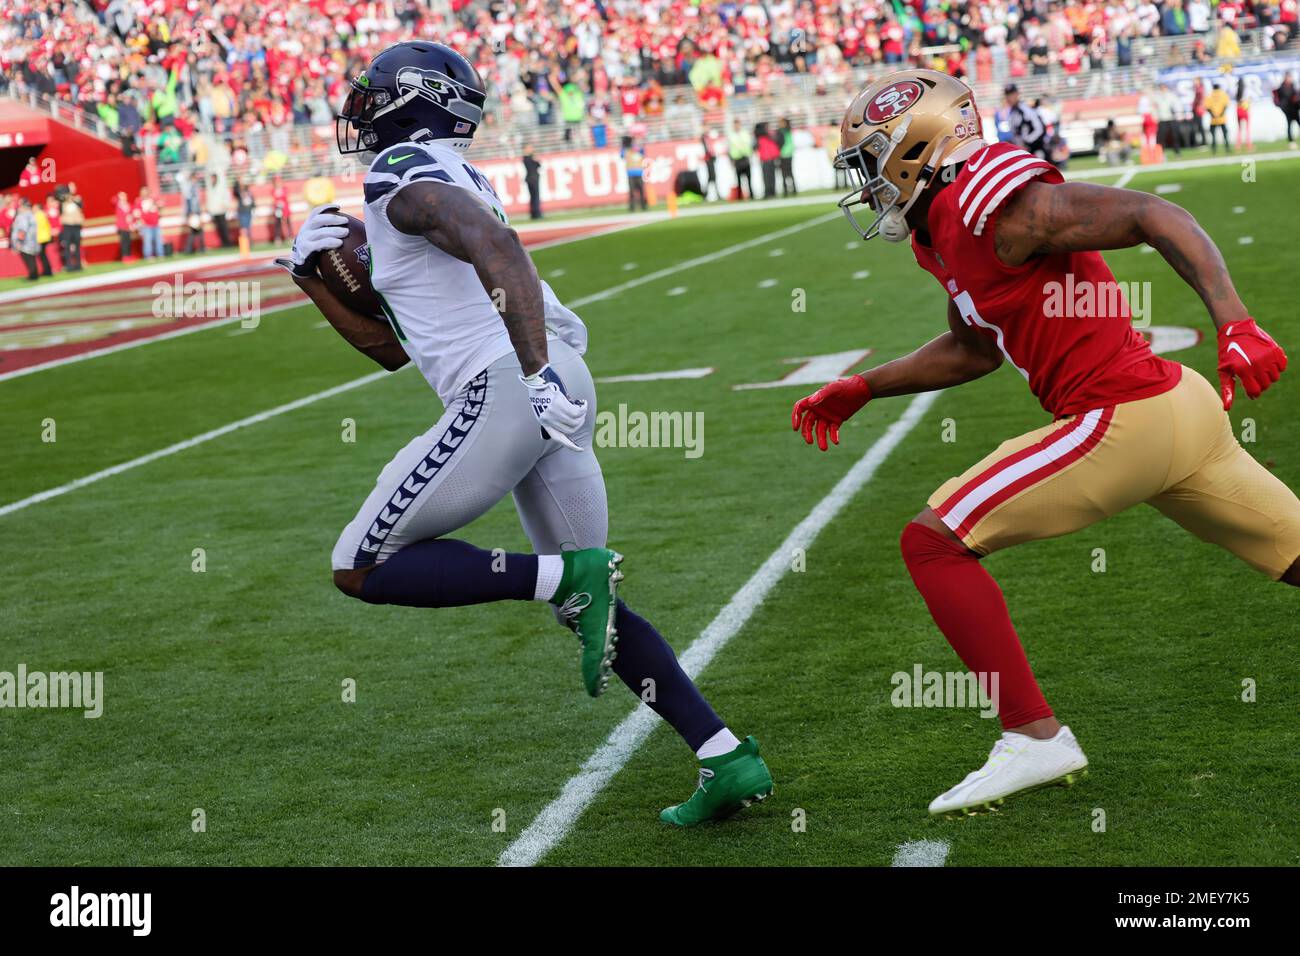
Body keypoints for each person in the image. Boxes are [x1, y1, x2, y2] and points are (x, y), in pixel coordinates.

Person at [288, 41, 773, 826]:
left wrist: (533, 368)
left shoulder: (401, 168)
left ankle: (558, 575)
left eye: (374, 94)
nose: (361, 107)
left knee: (360, 564)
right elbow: (389, 347)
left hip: (516, 382)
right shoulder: (440, 172)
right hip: (542, 381)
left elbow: (496, 247)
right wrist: (313, 279)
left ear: (416, 101)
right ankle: (724, 754)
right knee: (596, 606)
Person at [797, 69, 1298, 816]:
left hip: (1121, 420)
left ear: (915, 148)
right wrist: (866, 386)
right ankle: (1032, 736)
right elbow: (975, 346)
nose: (868, 185)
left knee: (933, 543)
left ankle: (1033, 735)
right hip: (1176, 412)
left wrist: (1235, 318)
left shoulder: (987, 194)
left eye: (872, 162)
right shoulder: (942, 231)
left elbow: (1154, 213)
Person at [1003, 84, 1047, 158]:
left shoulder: (1025, 109)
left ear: (1017, 94)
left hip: (1035, 151)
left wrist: (1028, 143)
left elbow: (1040, 128)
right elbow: (1015, 134)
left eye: (1011, 94)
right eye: (1007, 95)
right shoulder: (1012, 113)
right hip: (1022, 152)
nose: (1009, 98)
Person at [10, 197, 40, 280]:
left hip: (25, 242)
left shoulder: (23, 216)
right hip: (31, 241)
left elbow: (22, 229)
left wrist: (19, 242)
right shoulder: (31, 214)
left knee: (28, 260)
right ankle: (34, 275)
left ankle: (33, 276)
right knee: (32, 259)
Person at [728, 117, 754, 199]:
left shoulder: (744, 133)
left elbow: (748, 145)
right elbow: (730, 148)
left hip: (745, 157)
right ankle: (739, 196)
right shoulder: (731, 135)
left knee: (749, 178)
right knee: (738, 180)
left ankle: (751, 194)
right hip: (737, 159)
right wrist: (731, 159)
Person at [60, 184, 84, 271]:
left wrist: (72, 198)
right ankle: (69, 265)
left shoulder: (77, 198)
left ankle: (78, 265)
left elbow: (81, 205)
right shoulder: (63, 201)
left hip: (76, 225)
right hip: (67, 225)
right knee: (67, 246)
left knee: (77, 245)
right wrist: (66, 196)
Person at [135, 187, 162, 259]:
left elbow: (158, 208)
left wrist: (159, 207)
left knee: (158, 239)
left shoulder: (152, 200)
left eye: (146, 192)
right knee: (148, 241)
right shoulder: (139, 201)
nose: (145, 194)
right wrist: (140, 222)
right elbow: (137, 213)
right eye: (143, 192)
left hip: (155, 223)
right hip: (146, 225)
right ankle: (148, 255)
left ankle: (160, 254)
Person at [622, 136, 647, 211]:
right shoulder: (626, 150)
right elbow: (622, 155)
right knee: (632, 191)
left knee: (641, 190)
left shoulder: (638, 148)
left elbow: (642, 151)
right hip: (631, 173)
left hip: (639, 172)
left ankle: (643, 205)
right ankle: (632, 206)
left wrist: (634, 147)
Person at [1205, 82, 1231, 153]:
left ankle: (1214, 150)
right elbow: (1226, 106)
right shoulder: (1224, 95)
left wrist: (1213, 115)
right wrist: (1221, 114)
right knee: (1225, 135)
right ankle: (1227, 148)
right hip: (1222, 119)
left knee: (1213, 136)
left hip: (1213, 119)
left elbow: (1207, 108)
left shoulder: (1209, 96)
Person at [756, 122, 780, 198]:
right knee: (767, 177)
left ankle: (771, 192)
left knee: (770, 177)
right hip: (766, 159)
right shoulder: (763, 137)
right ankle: (768, 192)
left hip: (770, 159)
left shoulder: (769, 136)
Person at [522, 147, 543, 220]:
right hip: (532, 179)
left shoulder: (528, 158)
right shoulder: (526, 158)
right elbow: (533, 166)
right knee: (535, 197)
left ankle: (535, 213)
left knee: (534, 197)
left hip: (532, 179)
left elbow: (539, 165)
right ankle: (536, 214)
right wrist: (534, 159)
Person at [270, 176, 292, 243]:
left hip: (285, 208)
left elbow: (286, 198)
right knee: (278, 223)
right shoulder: (273, 190)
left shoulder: (284, 189)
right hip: (278, 208)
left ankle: (289, 236)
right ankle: (278, 238)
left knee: (287, 222)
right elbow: (273, 200)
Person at [778, 117, 797, 196]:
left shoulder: (783, 132)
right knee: (787, 173)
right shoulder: (788, 131)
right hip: (787, 154)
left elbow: (782, 143)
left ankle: (789, 190)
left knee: (786, 173)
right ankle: (791, 189)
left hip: (784, 154)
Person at [113, 191, 133, 260]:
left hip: (128, 226)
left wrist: (131, 225)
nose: (124, 197)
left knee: (128, 241)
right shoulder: (118, 204)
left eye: (124, 196)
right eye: (122, 196)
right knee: (123, 242)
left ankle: (129, 255)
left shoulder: (128, 205)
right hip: (121, 227)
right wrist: (119, 196)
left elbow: (130, 215)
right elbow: (113, 200)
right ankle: (125, 256)